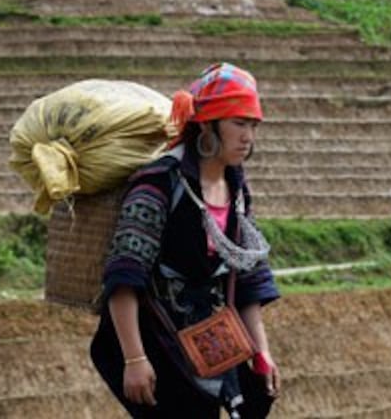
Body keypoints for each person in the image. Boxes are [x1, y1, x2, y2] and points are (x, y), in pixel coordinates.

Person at [90, 62, 280, 418]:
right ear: (207, 126)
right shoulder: (159, 183)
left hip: (210, 336)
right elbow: (124, 276)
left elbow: (249, 274)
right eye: (239, 124)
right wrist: (134, 359)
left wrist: (261, 351)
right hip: (153, 337)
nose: (248, 137)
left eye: (253, 125)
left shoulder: (236, 187)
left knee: (255, 400)